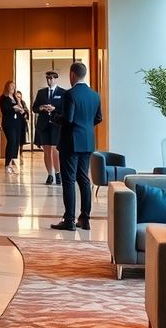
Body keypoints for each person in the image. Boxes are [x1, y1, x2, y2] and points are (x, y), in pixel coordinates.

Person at [50, 62, 102, 232]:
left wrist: (53, 116)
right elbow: (98, 118)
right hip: (87, 142)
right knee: (84, 180)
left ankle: (69, 220)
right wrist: (85, 126)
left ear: (72, 75)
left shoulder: (69, 94)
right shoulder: (95, 95)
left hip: (70, 143)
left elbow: (68, 120)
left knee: (69, 180)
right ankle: (85, 219)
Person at [32, 70, 65, 185]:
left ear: (56, 79)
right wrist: (41, 107)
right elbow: (34, 108)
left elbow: (65, 110)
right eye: (47, 78)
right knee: (46, 151)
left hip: (56, 125)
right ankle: (49, 174)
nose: (49, 80)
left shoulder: (62, 92)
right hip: (44, 125)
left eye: (51, 78)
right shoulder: (41, 92)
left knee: (56, 150)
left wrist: (54, 109)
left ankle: (58, 173)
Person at [0, 81, 26, 173]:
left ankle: (11, 162)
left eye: (14, 86)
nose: (12, 88)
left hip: (17, 122)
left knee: (16, 142)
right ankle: (7, 164)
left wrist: (19, 103)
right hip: (8, 123)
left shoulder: (15, 97)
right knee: (11, 141)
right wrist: (14, 108)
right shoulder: (3, 97)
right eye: (11, 86)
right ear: (7, 87)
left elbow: (22, 109)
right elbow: (4, 109)